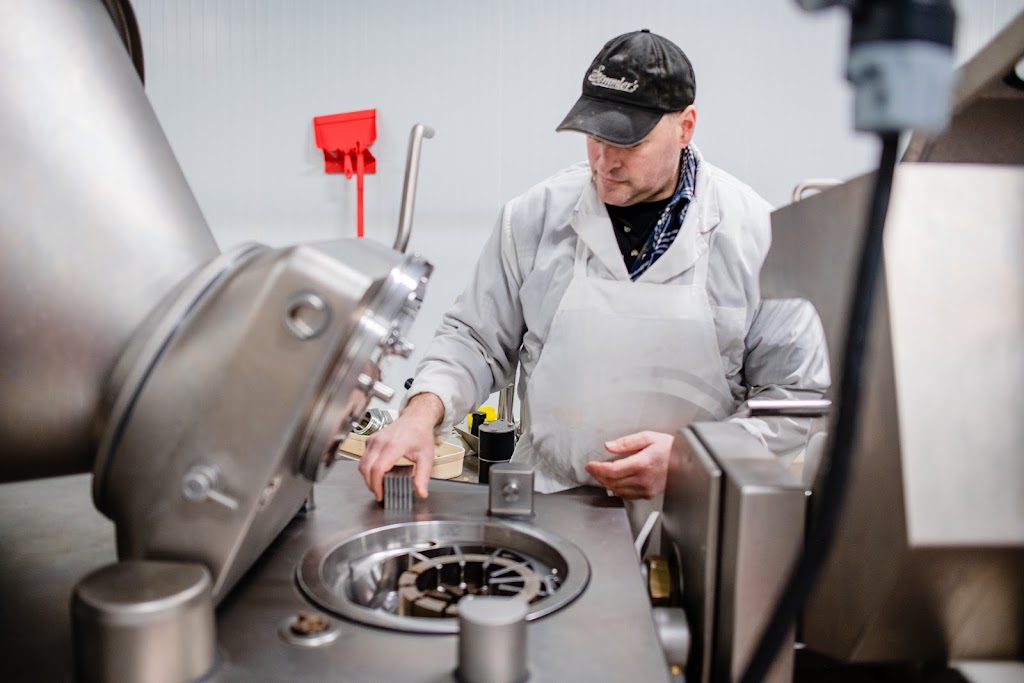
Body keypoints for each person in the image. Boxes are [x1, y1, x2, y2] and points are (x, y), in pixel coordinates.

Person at [359, 29, 830, 520]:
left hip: (691, 518)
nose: (604, 161)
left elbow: (796, 396)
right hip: (550, 507)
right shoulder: (534, 217)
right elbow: (474, 339)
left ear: (685, 127)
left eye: (629, 141)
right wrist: (419, 414)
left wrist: (693, 461)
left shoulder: (758, 235)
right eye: (595, 136)